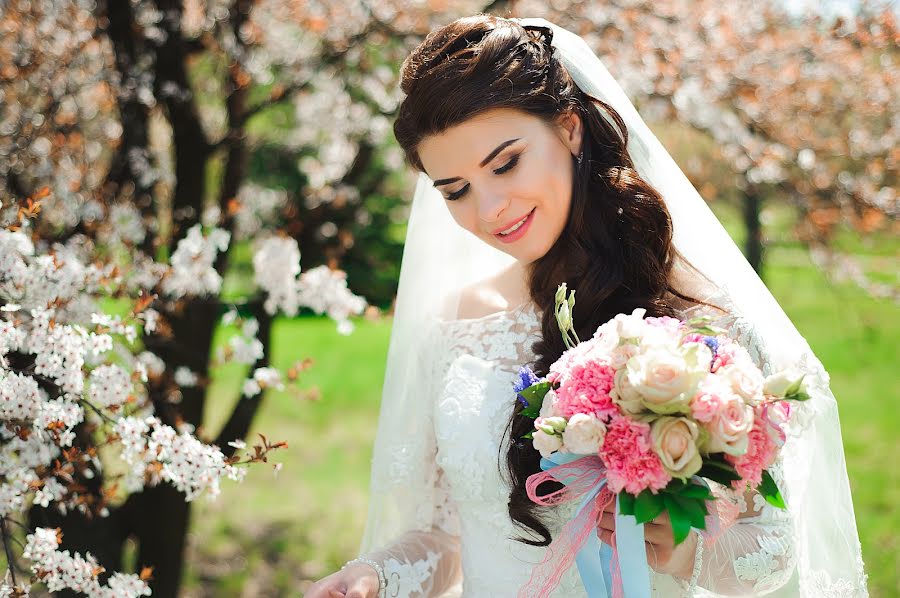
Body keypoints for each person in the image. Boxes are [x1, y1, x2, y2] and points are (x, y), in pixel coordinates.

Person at [307, 15, 867, 598]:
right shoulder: (458, 323)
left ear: (570, 129)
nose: (490, 207)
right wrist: (377, 576)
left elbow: (771, 549)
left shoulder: (697, 324)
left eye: (505, 164)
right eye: (456, 190)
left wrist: (684, 548)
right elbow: (446, 536)